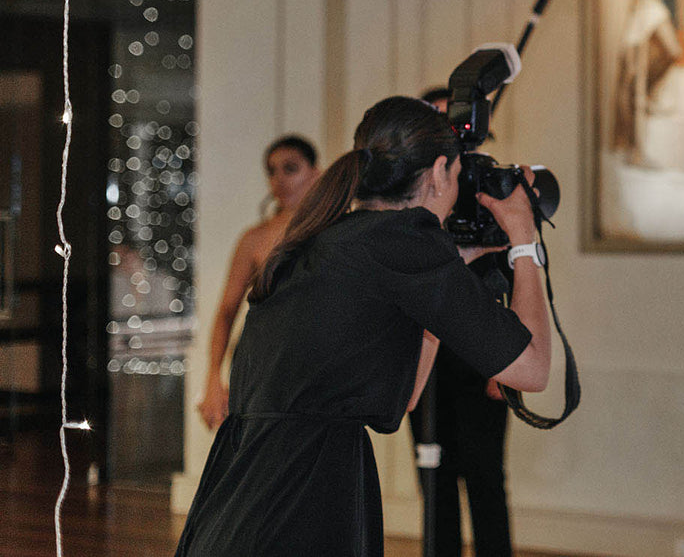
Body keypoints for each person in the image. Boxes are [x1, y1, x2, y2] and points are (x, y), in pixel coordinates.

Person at [175, 96, 551, 557]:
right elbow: (532, 369)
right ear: (437, 174)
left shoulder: (330, 235)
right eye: (456, 175)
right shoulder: (402, 243)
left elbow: (407, 396)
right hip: (304, 492)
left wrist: (448, 277)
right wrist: (524, 241)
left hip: (247, 487)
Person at [408, 86, 519, 557]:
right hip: (426, 361)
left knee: (485, 477)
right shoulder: (409, 203)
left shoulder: (484, 192)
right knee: (433, 477)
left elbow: (512, 279)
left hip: (479, 359)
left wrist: (504, 366)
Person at [195, 134, 321, 431]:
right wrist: (213, 378)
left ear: (315, 173)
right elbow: (226, 311)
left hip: (315, 362)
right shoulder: (255, 239)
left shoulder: (334, 231)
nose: (279, 179)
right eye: (272, 171)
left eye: (290, 168)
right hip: (261, 362)